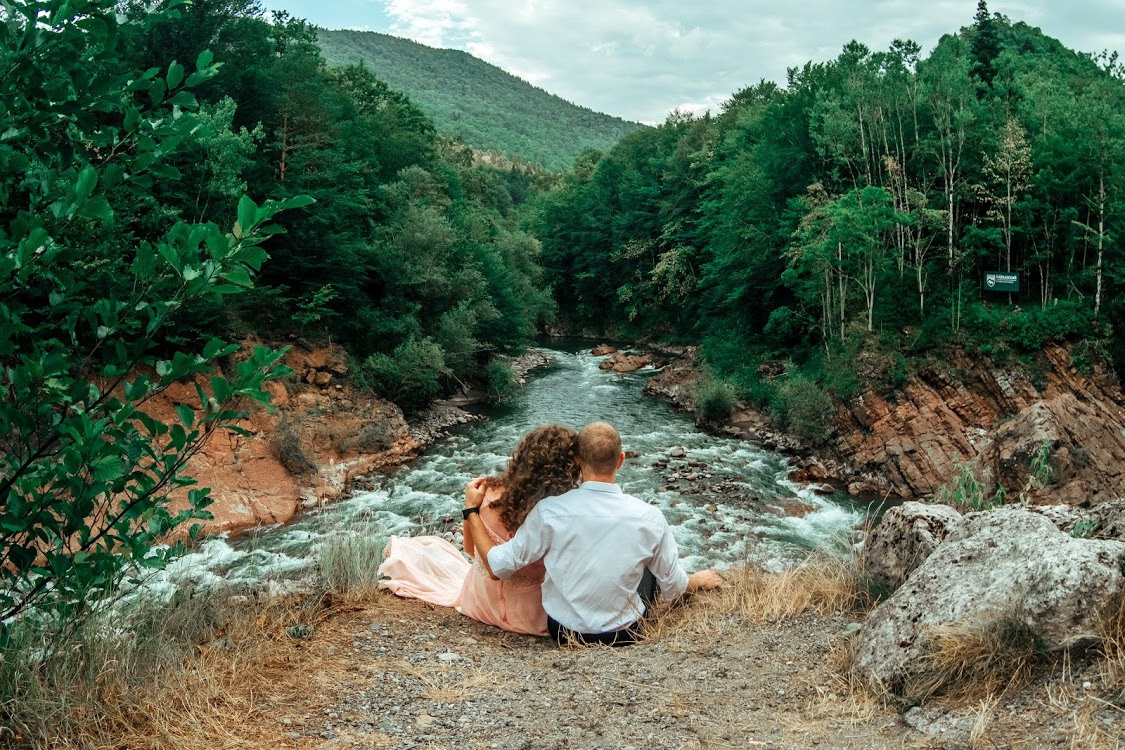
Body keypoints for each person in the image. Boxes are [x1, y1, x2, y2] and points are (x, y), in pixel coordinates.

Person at [463, 421, 723, 646]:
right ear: (621, 460)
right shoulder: (650, 516)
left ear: (577, 459)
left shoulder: (548, 511)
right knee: (648, 561)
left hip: (563, 633)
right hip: (624, 633)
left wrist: (471, 512)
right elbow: (673, 588)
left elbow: (498, 565)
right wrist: (696, 580)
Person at [378, 425, 580, 636]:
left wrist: (470, 509)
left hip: (479, 602)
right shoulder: (562, 514)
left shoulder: (485, 493)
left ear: (523, 456)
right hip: (531, 617)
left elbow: (469, 549)